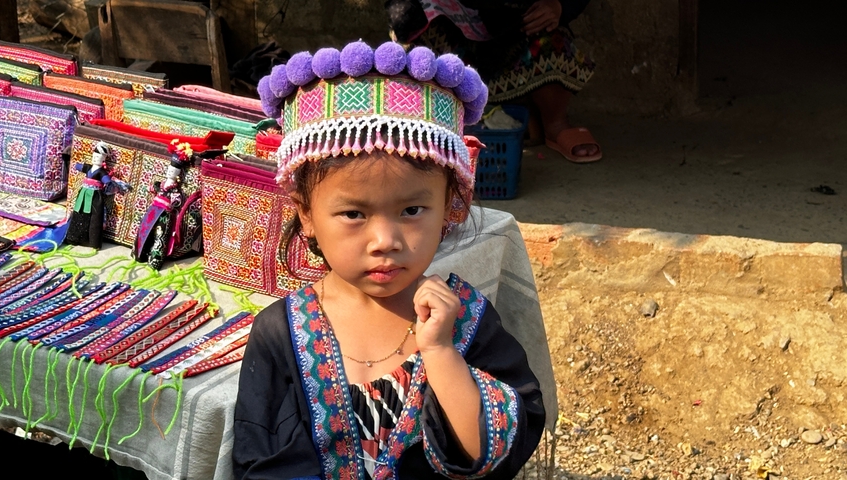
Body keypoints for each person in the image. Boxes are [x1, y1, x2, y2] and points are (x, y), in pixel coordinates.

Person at [233, 40, 545, 479]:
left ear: (448, 207)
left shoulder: (465, 320)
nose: (385, 240)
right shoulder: (280, 333)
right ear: (307, 214)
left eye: (412, 211)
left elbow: (487, 455)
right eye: (354, 214)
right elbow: (258, 458)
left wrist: (439, 350)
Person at [386, 0, 601, 163]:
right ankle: (443, 122)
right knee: (416, 43)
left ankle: (555, 123)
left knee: (551, 42)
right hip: (451, 26)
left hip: (518, 22)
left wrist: (560, 6)